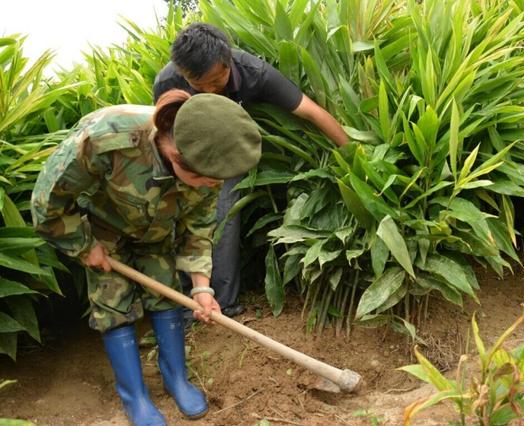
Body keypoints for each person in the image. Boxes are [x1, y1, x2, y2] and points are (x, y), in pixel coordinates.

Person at [31, 89, 262, 426]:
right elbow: (46, 203)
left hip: (156, 234)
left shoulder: (210, 159)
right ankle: (135, 397)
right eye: (205, 180)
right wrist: (83, 245)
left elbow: (198, 229)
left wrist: (201, 288)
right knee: (113, 307)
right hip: (103, 233)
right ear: (177, 155)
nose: (211, 186)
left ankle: (176, 380)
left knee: (166, 295)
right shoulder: (107, 137)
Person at [153, 23, 349, 318]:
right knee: (178, 216)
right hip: (185, 153)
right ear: (182, 74)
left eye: (216, 81)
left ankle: (225, 306)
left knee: (224, 214)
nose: (208, 90)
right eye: (198, 84)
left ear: (227, 60)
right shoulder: (168, 82)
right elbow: (164, 133)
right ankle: (188, 303)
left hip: (227, 152)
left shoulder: (254, 73)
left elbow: (312, 112)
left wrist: (354, 158)